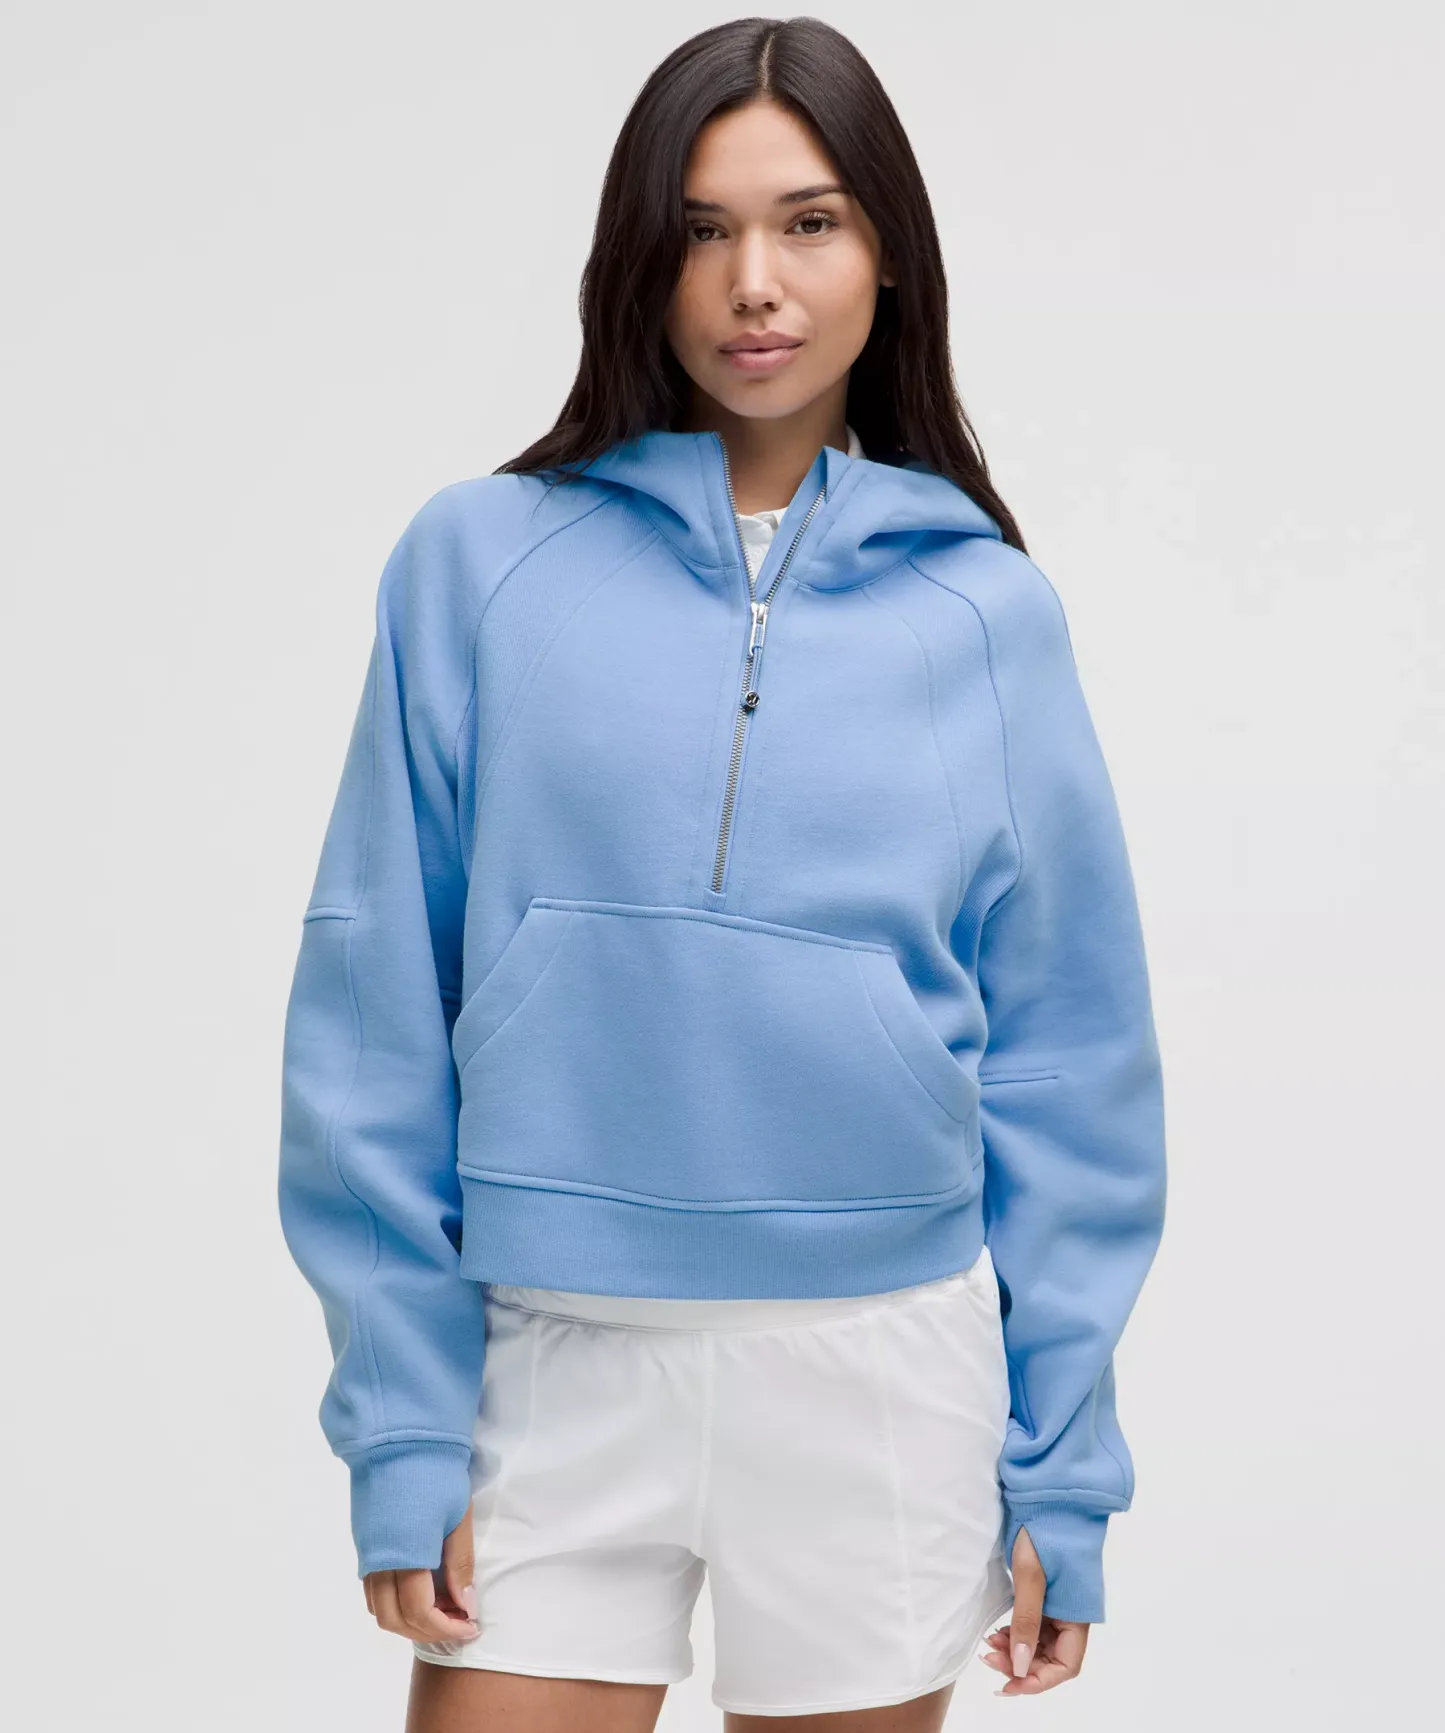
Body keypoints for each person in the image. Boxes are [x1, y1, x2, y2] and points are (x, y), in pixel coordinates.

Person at [277, 16, 1167, 1730]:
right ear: (640, 259)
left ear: (887, 254)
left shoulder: (986, 614)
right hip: (551, 1356)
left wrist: (1065, 1473)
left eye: (809, 222)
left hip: (880, 1373)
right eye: (702, 229)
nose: (754, 282)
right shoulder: (480, 563)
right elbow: (375, 1001)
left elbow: (1073, 1061)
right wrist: (401, 1422)